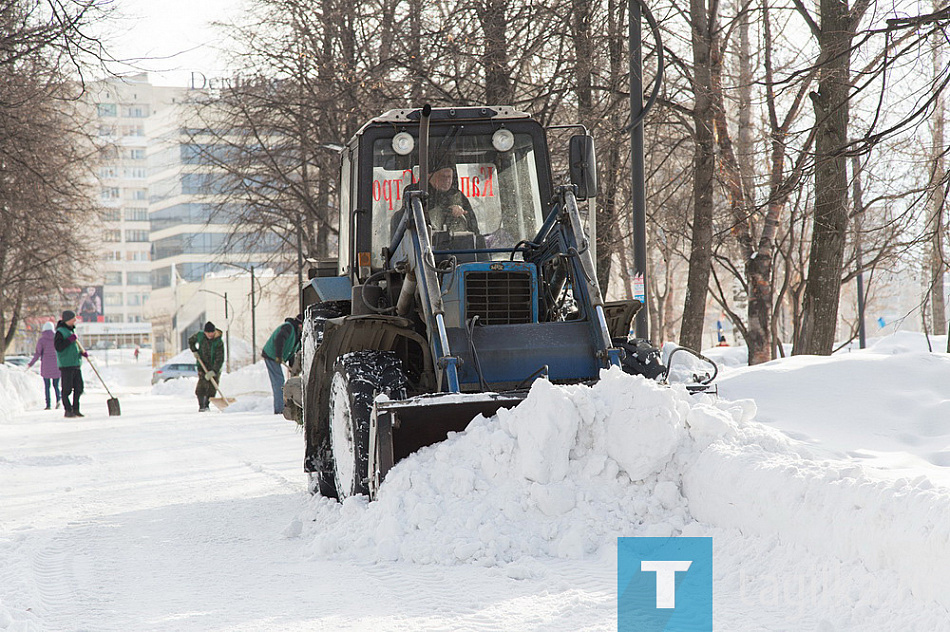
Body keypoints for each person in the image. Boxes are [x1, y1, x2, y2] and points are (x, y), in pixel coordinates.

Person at [261, 314, 302, 415]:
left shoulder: (298, 334)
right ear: (300, 324)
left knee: (286, 381)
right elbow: (279, 339)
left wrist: (292, 367)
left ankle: (287, 406)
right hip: (271, 355)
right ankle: (279, 409)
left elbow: (293, 351)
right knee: (278, 381)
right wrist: (278, 356)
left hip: (278, 356)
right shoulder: (288, 327)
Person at [54, 310, 88, 418]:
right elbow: (59, 347)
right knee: (67, 389)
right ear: (68, 320)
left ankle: (76, 409)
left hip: (75, 363)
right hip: (66, 365)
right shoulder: (60, 332)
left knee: (79, 388)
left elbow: (73, 347)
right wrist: (69, 340)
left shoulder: (71, 331)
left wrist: (81, 352)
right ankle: (68, 410)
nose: (75, 320)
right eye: (73, 318)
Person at [188, 321, 224, 412]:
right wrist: (194, 351)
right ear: (205, 332)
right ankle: (201, 406)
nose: (210, 335)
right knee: (201, 386)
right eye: (208, 333)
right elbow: (191, 341)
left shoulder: (218, 341)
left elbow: (220, 358)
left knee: (212, 387)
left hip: (214, 367)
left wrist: (214, 371)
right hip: (202, 365)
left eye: (212, 332)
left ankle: (207, 405)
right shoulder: (200, 336)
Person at [27, 322, 61, 410]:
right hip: (56, 365)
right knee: (56, 385)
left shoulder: (42, 340)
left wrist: (31, 364)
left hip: (46, 365)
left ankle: (48, 404)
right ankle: (58, 400)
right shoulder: (56, 338)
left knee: (47, 386)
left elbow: (38, 353)